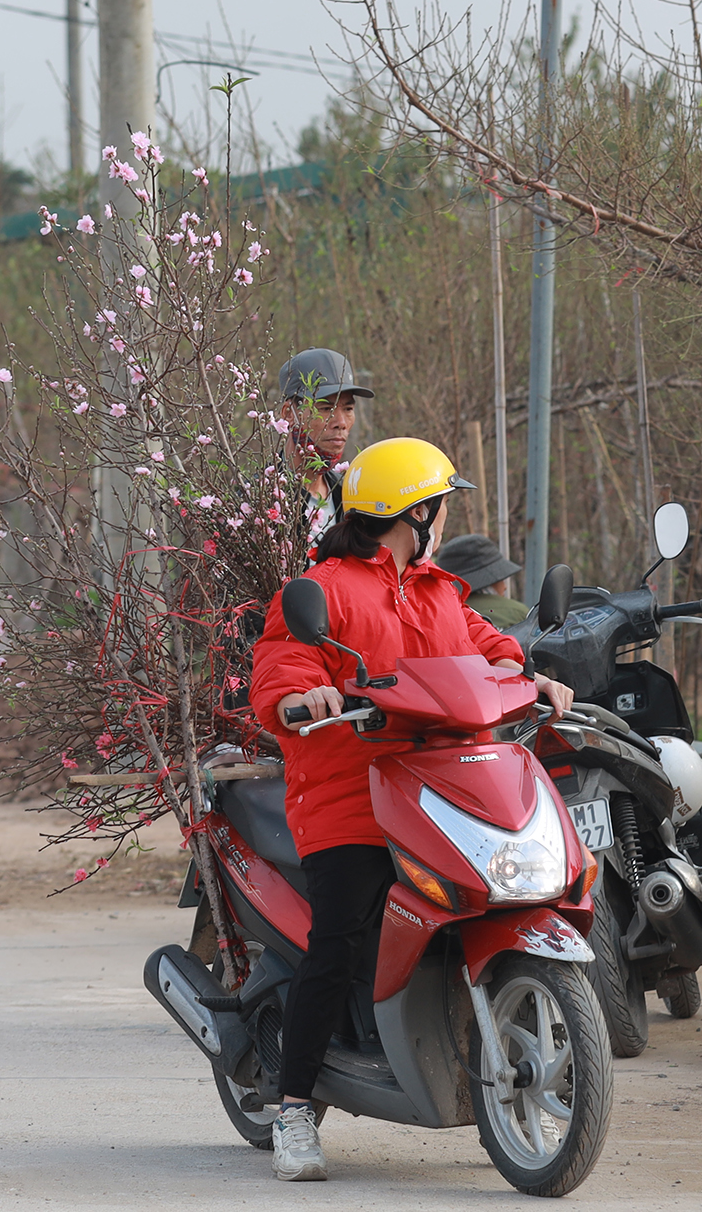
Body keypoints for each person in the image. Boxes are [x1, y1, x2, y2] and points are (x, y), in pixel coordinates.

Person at [247, 436, 575, 1181]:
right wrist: (304, 696)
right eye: (442, 500)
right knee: (339, 935)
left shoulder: (438, 588)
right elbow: (282, 664)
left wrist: (534, 676)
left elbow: (490, 648)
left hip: (438, 783)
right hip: (348, 794)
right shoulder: (323, 590)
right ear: (415, 510)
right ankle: (295, 1108)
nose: (447, 512)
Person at [275, 348, 374, 555]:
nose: (341, 423)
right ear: (288, 413)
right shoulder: (262, 502)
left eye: (348, 409)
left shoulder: (352, 498)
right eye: (326, 409)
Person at [435, 533, 530, 628]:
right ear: (491, 581)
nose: (504, 587)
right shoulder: (518, 613)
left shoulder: (436, 615)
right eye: (501, 579)